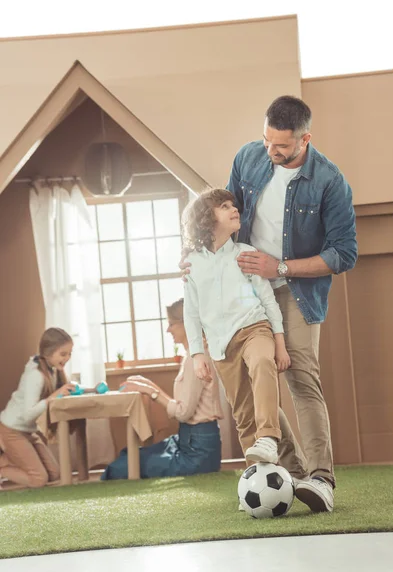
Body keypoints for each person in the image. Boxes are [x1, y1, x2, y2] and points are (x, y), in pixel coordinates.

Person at [224, 95, 357, 512]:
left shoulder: (329, 181)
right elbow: (225, 215)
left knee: (300, 378)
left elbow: (343, 253)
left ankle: (320, 480)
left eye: (281, 146)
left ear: (304, 140)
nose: (271, 151)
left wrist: (279, 267)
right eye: (267, 141)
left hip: (296, 289)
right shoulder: (249, 157)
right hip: (247, 290)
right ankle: (294, 471)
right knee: (252, 375)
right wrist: (199, 253)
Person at [182, 188, 291, 466]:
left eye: (234, 205)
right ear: (207, 218)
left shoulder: (246, 254)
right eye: (225, 206)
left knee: (262, 363)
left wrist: (279, 343)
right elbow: (191, 313)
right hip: (220, 345)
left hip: (255, 328)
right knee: (242, 413)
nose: (234, 210)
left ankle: (268, 436)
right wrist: (197, 354)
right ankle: (257, 476)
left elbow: (268, 300)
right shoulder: (191, 264)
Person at [101, 298, 223, 480]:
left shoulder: (196, 358)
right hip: (188, 441)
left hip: (197, 453)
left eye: (171, 324)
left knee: (122, 467)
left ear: (187, 323)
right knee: (130, 455)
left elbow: (182, 412)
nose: (168, 329)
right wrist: (146, 385)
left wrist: (151, 391)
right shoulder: (192, 355)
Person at [0, 328, 75, 489]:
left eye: (69, 353)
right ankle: (2, 465)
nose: (67, 358)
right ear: (48, 353)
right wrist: (52, 397)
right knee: (38, 479)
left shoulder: (52, 370)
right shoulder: (35, 375)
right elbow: (28, 415)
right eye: (63, 354)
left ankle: (14, 456)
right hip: (11, 429)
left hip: (27, 431)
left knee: (54, 473)